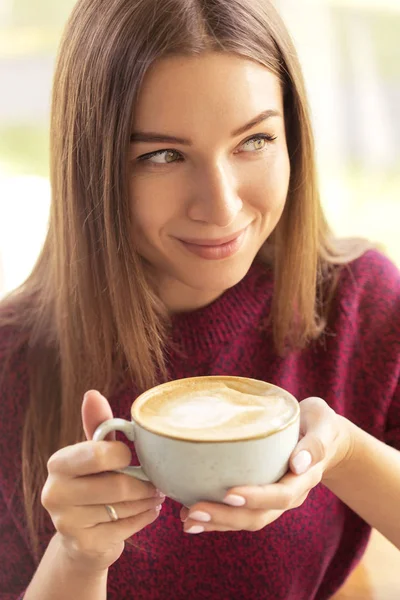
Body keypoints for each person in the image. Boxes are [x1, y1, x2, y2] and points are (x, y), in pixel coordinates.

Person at [0, 0, 399, 598]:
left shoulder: (359, 302)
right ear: (93, 166)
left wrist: (341, 452)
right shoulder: (12, 364)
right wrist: (79, 557)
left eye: (254, 139)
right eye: (162, 155)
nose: (221, 206)